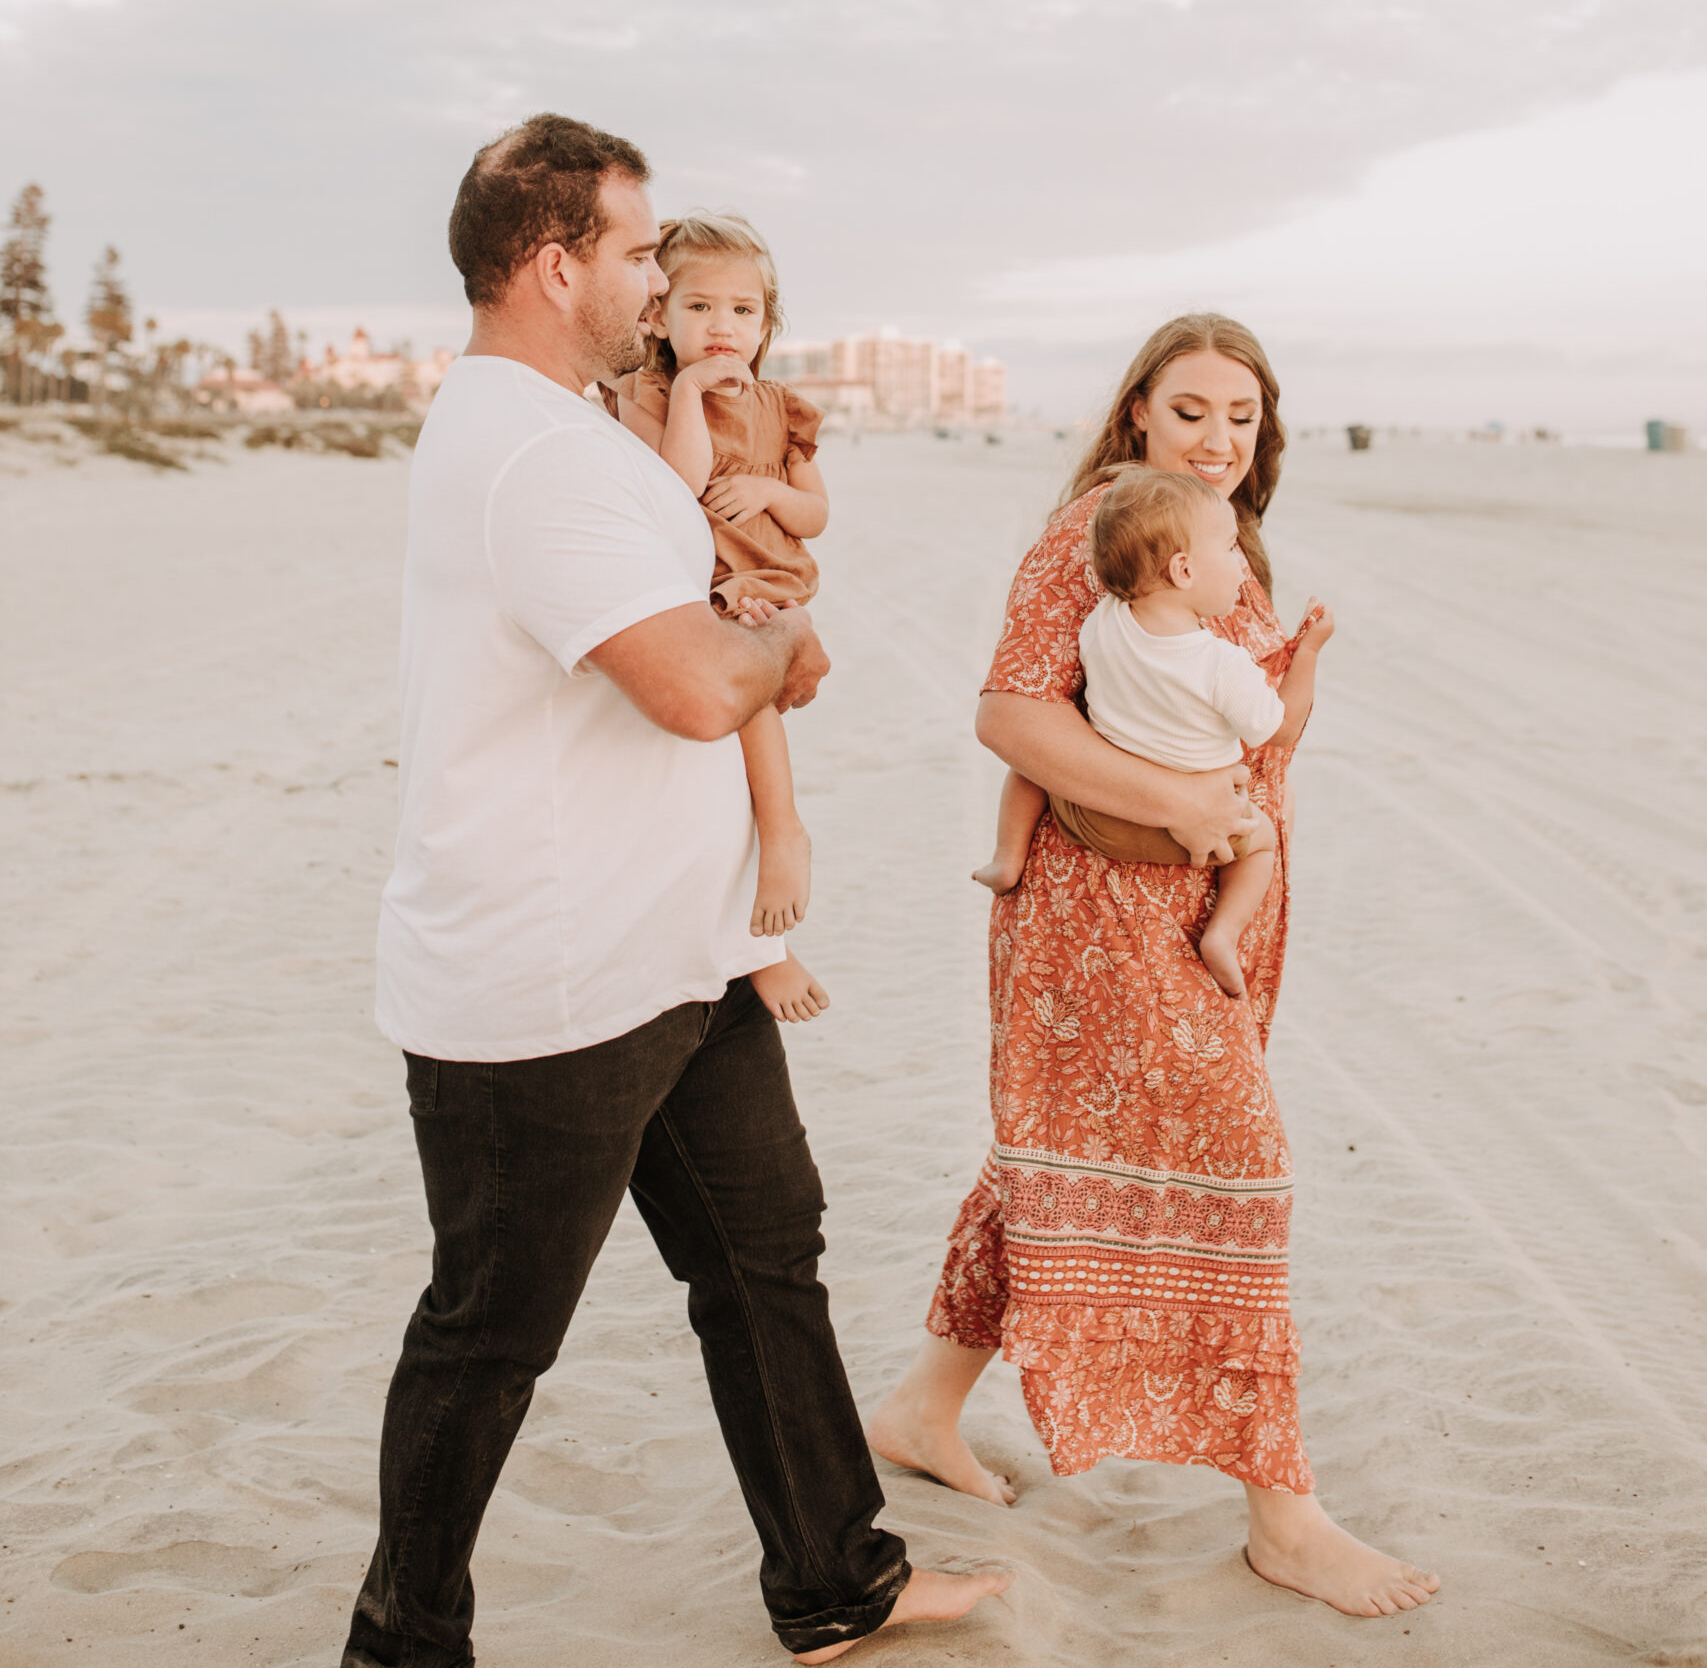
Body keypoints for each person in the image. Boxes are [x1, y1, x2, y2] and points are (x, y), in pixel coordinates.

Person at [340, 114, 1009, 1668]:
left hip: (678, 957)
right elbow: (698, 686)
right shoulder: (535, 455)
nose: (658, 279)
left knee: (766, 1254)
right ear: (556, 261)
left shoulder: (564, 432)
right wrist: (784, 647)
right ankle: (400, 1643)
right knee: (489, 1336)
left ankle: (832, 1579)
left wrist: (759, 645)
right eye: (639, 251)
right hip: (550, 983)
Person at [867, 313, 1440, 1621]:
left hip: (1192, 905)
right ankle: (1283, 1520)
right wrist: (1183, 813)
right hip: (1099, 911)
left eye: (1240, 416)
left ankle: (919, 1405)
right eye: (1190, 411)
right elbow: (1007, 710)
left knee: (1052, 1146)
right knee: (1239, 1164)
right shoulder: (1095, 533)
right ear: (1135, 415)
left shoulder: (1222, 553)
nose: (1218, 438)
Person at [972, 463, 1334, 1000]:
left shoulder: (1103, 620)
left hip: (1084, 812)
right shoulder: (1220, 662)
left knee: (1030, 768)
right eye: (1232, 550)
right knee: (1263, 844)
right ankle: (1223, 935)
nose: (1240, 564)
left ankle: (1007, 857)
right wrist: (1308, 653)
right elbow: (1278, 729)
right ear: (1184, 571)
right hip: (1177, 832)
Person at [608, 211, 829, 1025]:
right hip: (695, 585)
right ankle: (774, 863)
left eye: (743, 311)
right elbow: (677, 484)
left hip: (762, 581)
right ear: (658, 315)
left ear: (766, 323)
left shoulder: (782, 408)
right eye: (700, 308)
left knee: (753, 720)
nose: (722, 327)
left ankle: (781, 843)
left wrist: (773, 492)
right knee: (719, 755)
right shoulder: (647, 395)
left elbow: (814, 515)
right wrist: (695, 395)